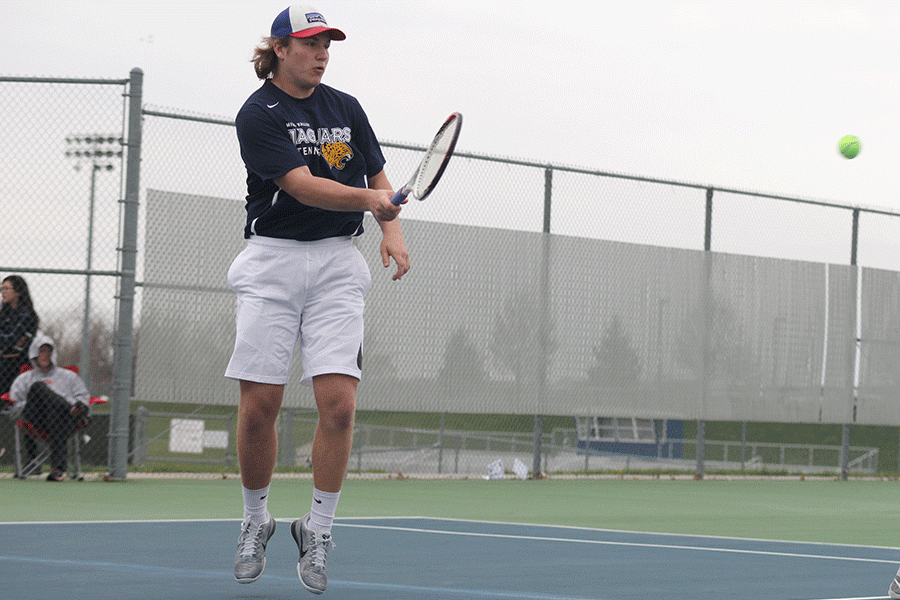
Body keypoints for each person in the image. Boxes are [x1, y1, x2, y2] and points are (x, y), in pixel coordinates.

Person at [226, 5, 409, 594]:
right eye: (309, 42)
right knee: (259, 409)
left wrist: (392, 230)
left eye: (327, 42)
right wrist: (369, 203)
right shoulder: (258, 113)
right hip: (272, 261)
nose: (322, 51)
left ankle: (319, 530)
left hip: (336, 264)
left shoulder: (346, 107)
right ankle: (257, 521)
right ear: (280, 49)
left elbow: (377, 176)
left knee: (340, 407)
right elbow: (302, 187)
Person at [6, 332, 91, 482]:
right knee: (38, 387)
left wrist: (64, 406)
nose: (45, 355)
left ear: (53, 353)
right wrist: (44, 401)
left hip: (64, 421)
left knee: (55, 413)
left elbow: (83, 397)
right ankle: (67, 407)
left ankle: (57, 470)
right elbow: (14, 407)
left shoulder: (69, 376)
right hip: (36, 419)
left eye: (48, 351)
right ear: (34, 353)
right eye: (41, 351)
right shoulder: (25, 379)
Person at [1, 275, 40, 395]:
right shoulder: (4, 314)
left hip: (17, 364)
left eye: (6, 289)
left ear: (18, 292)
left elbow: (12, 340)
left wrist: (7, 341)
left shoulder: (26, 315)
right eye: (1, 289)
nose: (2, 292)